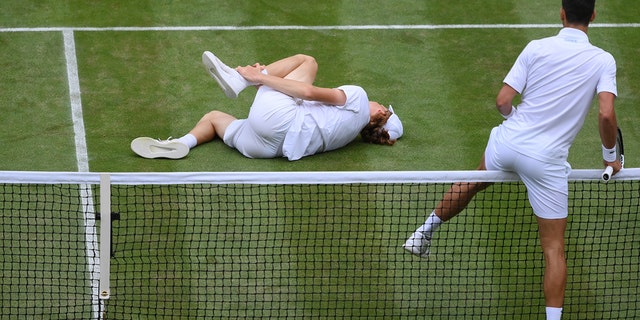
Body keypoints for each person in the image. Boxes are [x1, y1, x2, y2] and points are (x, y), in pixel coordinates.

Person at [402, 1, 620, 319]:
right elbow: (605, 112)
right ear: (594, 16)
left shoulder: (536, 47)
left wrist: (517, 120)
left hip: (507, 142)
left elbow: (503, 101)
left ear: (561, 13)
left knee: (473, 181)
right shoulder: (603, 60)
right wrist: (610, 158)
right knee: (553, 248)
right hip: (546, 162)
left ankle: (422, 232)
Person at [131, 51, 403, 161]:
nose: (377, 101)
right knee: (214, 118)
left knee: (307, 61)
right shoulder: (346, 138)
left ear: (380, 113)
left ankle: (238, 81)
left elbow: (307, 91)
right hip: (267, 149)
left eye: (381, 104)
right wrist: (270, 83)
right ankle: (182, 143)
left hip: (278, 121)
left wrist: (259, 77)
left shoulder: (357, 96)